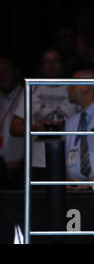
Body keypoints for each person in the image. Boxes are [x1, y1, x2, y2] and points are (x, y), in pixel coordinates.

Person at [10, 48, 79, 180]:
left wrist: (64, 128)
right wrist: (36, 128)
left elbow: (87, 122)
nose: (51, 65)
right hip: (36, 163)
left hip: (68, 162)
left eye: (55, 61)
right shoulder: (32, 88)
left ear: (62, 64)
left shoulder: (73, 89)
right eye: (47, 61)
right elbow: (14, 127)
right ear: (41, 65)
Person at [0, 56, 24, 189]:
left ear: (16, 73)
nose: (2, 76)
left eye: (6, 71)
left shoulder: (28, 95)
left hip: (21, 170)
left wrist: (21, 163)